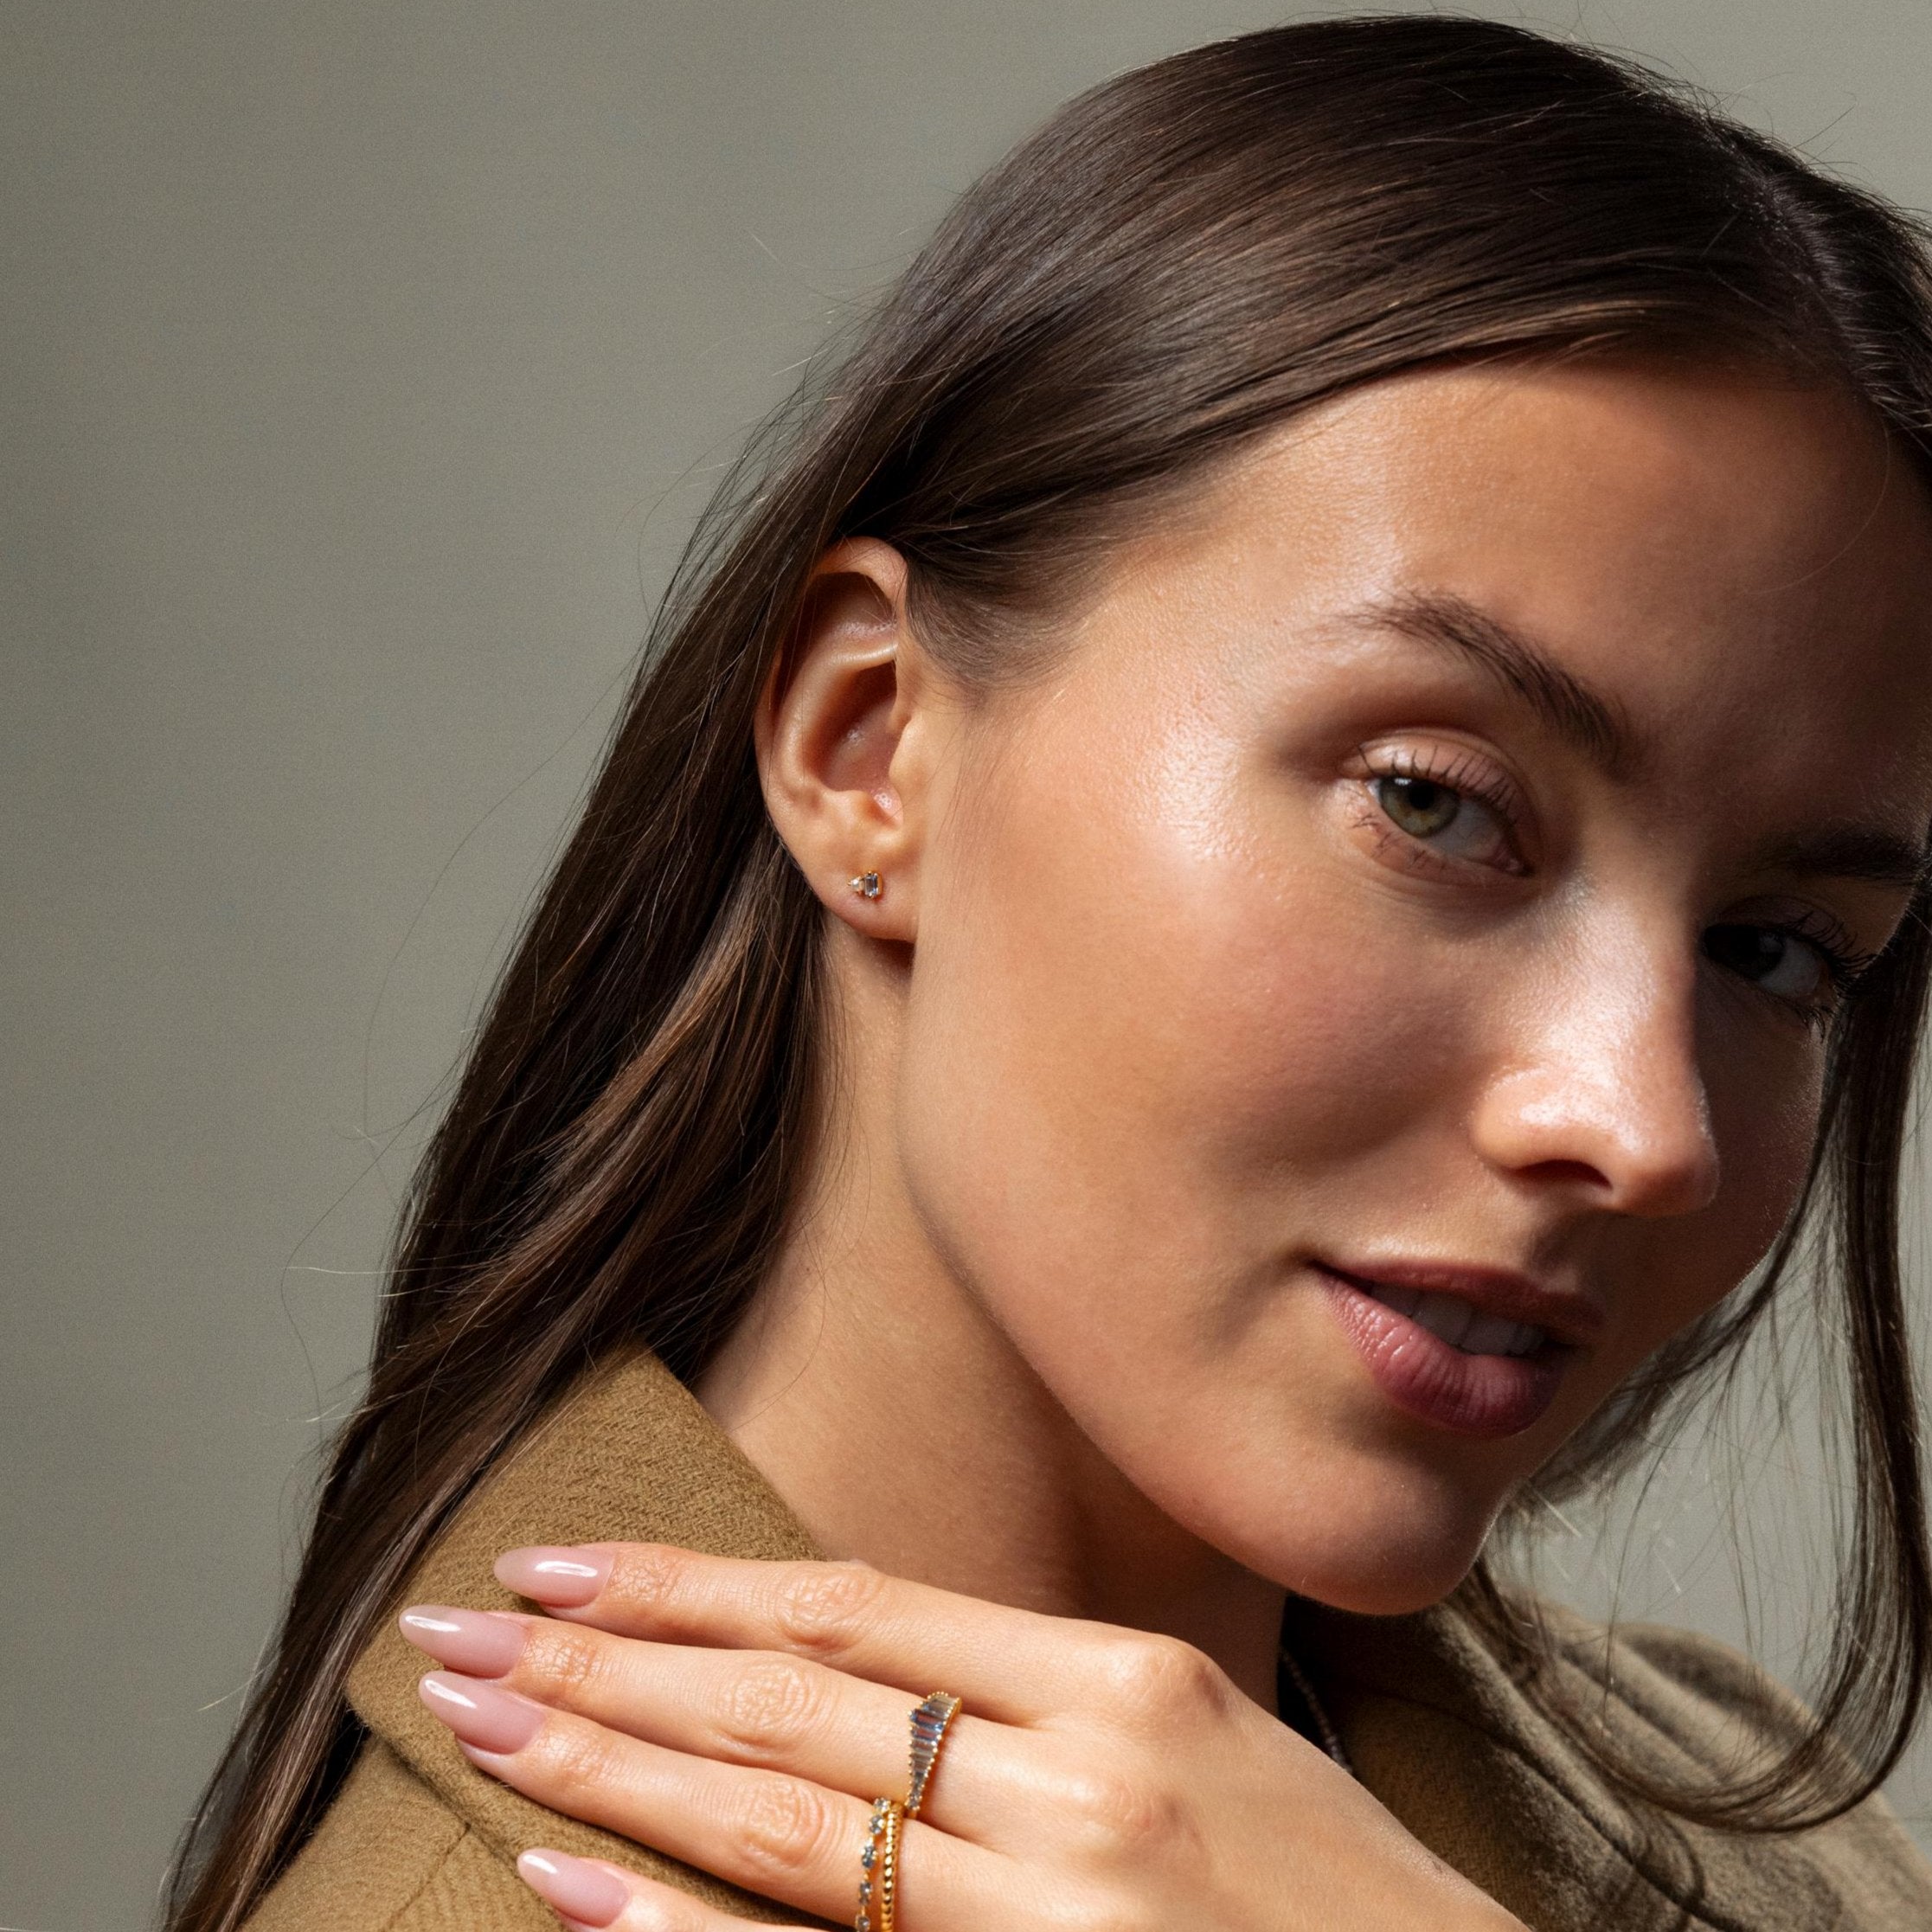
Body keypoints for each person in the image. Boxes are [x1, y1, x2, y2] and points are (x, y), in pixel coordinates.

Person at [168, 16, 1932, 1931]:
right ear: (870, 747)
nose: (1643, 1123)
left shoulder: (1766, 1849)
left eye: (1772, 950)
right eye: (1431, 804)